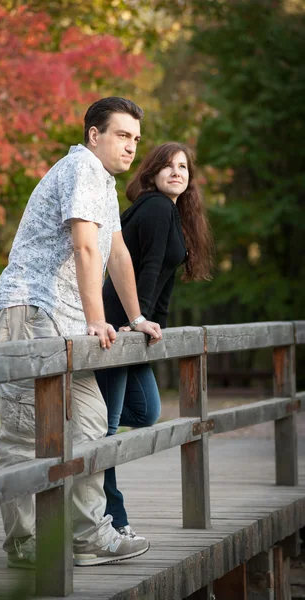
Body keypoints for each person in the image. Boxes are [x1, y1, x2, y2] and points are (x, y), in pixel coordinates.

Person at [0, 97, 163, 569]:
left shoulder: (102, 180)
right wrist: (95, 318)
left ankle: (88, 537)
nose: (131, 147)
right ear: (94, 134)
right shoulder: (81, 168)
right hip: (30, 307)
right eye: (122, 135)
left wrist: (137, 315)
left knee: (88, 423)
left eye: (135, 139)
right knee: (28, 433)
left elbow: (116, 252)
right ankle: (25, 543)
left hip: (63, 319)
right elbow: (86, 247)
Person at [95, 141, 213, 537]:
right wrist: (137, 318)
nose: (177, 171)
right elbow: (144, 268)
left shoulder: (168, 212)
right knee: (105, 432)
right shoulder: (158, 207)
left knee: (144, 411)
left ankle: (82, 429)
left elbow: (161, 280)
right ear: (151, 172)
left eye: (183, 167)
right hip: (116, 326)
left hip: (132, 324)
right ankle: (112, 519)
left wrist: (152, 325)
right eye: (168, 165)